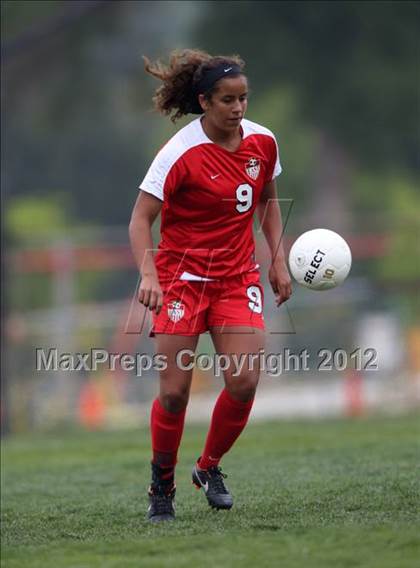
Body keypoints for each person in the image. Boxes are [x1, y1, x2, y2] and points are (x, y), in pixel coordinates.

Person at [129, 49, 292, 522]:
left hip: (237, 278)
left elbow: (268, 202)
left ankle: (209, 467)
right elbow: (141, 218)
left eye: (243, 98)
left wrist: (277, 260)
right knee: (175, 393)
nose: (238, 108)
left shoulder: (263, 142)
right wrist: (148, 273)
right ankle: (162, 482)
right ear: (205, 102)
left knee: (243, 381)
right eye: (227, 100)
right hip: (182, 283)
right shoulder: (178, 153)